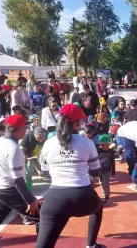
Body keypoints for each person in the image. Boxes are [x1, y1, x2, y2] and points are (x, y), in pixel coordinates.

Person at [36, 104, 105, 248]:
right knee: (98, 207)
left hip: (55, 199)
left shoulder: (48, 143)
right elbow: (95, 172)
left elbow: (45, 172)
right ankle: (91, 245)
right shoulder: (87, 142)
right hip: (83, 196)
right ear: (77, 123)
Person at [0, 115, 40, 232]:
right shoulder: (13, 148)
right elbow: (17, 179)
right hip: (10, 191)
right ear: (19, 128)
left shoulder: (0, 140)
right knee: (44, 217)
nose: (26, 130)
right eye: (25, 127)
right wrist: (30, 200)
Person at [97, 134, 115, 205]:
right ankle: (104, 191)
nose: (105, 147)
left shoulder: (110, 151)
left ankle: (107, 196)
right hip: (99, 169)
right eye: (103, 145)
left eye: (106, 145)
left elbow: (113, 161)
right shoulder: (97, 151)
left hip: (107, 170)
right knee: (101, 182)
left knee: (106, 183)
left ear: (109, 144)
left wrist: (113, 171)